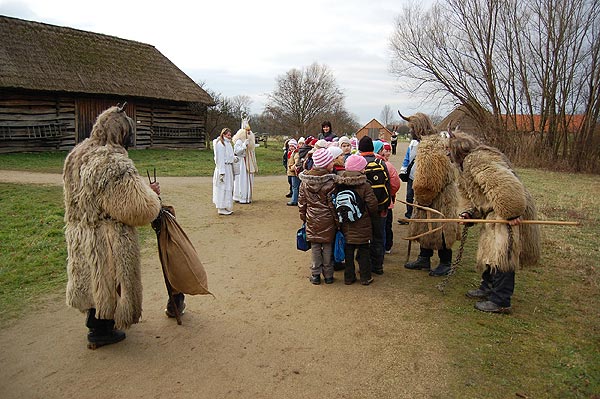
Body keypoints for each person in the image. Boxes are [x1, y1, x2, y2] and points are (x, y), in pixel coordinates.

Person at [63, 105, 162, 349]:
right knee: (107, 277)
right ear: (122, 133)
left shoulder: (78, 154)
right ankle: (102, 329)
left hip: (81, 230)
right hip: (106, 236)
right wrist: (152, 195)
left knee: (91, 276)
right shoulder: (112, 162)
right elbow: (136, 208)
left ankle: (95, 323)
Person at [448, 130, 540, 314]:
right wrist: (468, 213)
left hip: (504, 213)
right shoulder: (464, 166)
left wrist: (511, 212)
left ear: (457, 150)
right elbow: (470, 194)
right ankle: (488, 287)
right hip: (492, 214)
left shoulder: (478, 160)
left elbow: (503, 185)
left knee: (502, 255)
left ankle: (501, 300)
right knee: (489, 252)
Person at [404, 133, 461, 276]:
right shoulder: (429, 146)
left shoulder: (432, 150)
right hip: (434, 198)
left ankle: (445, 263)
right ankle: (424, 258)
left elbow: (429, 180)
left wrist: (424, 198)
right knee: (426, 225)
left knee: (442, 229)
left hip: (442, 199)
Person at [335, 154, 379, 285]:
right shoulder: (365, 185)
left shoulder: (340, 183)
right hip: (362, 223)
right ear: (360, 169)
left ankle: (349, 277)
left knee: (348, 250)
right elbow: (372, 204)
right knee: (364, 250)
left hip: (346, 223)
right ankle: (365, 277)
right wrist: (370, 215)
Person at [298, 148, 338, 285]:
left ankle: (315, 274)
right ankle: (328, 275)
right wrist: (337, 221)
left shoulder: (305, 182)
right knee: (327, 245)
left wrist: (303, 217)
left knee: (315, 245)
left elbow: (302, 202)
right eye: (331, 161)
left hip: (312, 218)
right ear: (326, 164)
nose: (333, 163)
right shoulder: (331, 182)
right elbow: (333, 205)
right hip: (327, 219)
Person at [358, 136, 391, 275]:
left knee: (363, 238)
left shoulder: (357, 163)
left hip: (363, 210)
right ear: (373, 148)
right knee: (378, 237)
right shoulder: (381, 163)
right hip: (380, 208)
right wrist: (386, 205)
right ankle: (378, 266)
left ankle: (363, 266)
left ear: (360, 149)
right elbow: (390, 185)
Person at [397, 112, 436, 224]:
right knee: (410, 197)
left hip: (425, 179)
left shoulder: (433, 143)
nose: (410, 131)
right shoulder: (413, 143)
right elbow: (408, 157)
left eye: (412, 128)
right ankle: (409, 216)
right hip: (412, 176)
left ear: (419, 128)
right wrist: (404, 170)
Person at [376, 141, 401, 254]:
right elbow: (395, 184)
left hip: (369, 204)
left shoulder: (363, 163)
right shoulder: (388, 165)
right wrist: (389, 194)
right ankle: (386, 246)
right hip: (386, 203)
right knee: (386, 225)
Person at [232, 127, 258, 204]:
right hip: (242, 163)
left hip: (248, 162)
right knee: (241, 179)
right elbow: (236, 151)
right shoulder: (239, 141)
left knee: (248, 178)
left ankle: (247, 196)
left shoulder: (250, 142)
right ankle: (241, 196)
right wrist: (243, 146)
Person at [213, 127, 235, 215]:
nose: (229, 136)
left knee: (228, 187)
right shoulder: (220, 144)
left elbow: (228, 155)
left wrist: (234, 159)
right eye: (228, 135)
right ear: (223, 134)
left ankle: (226, 206)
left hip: (228, 168)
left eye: (230, 135)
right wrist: (222, 172)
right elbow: (220, 159)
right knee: (222, 188)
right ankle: (221, 207)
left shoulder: (228, 143)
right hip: (223, 168)